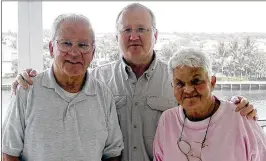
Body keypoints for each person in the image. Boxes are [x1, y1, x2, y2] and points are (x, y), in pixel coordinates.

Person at [11, 3, 257, 161]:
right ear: (117, 36)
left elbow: (207, 110)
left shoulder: (177, 81)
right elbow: (66, 77)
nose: (133, 36)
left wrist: (243, 107)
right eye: (126, 29)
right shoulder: (96, 81)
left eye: (142, 29)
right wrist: (28, 80)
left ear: (156, 35)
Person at [2, 14, 124, 161]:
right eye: (66, 43)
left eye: (83, 45)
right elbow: (9, 153)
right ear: (51, 48)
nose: (74, 53)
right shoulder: (26, 90)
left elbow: (113, 154)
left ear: (93, 52)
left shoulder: (104, 95)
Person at [153, 48, 266, 161]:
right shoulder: (167, 120)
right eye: (179, 84)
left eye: (196, 81)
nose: (187, 90)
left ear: (212, 83)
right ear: (172, 86)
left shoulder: (241, 117)